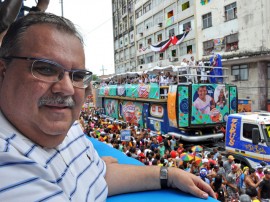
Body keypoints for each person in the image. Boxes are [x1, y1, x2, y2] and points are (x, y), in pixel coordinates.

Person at [0, 13, 215, 201]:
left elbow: (99, 177)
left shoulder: (66, 126)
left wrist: (168, 175)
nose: (66, 88)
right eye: (46, 69)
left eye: (78, 76)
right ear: (3, 72)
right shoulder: (7, 166)